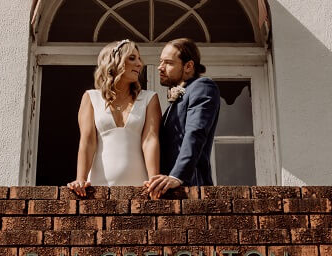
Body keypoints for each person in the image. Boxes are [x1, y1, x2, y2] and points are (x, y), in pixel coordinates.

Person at [67, 39, 161, 195]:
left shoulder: (149, 98)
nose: (139, 64)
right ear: (113, 62)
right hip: (98, 185)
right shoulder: (91, 98)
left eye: (139, 58)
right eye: (132, 58)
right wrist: (80, 179)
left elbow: (150, 140)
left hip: (140, 184)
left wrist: (154, 180)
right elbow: (88, 140)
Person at [144, 38, 220, 199]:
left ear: (188, 66)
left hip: (191, 188)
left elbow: (195, 133)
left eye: (168, 63)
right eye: (160, 62)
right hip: (167, 190)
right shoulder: (179, 98)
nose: (160, 67)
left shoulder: (202, 87)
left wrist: (177, 176)